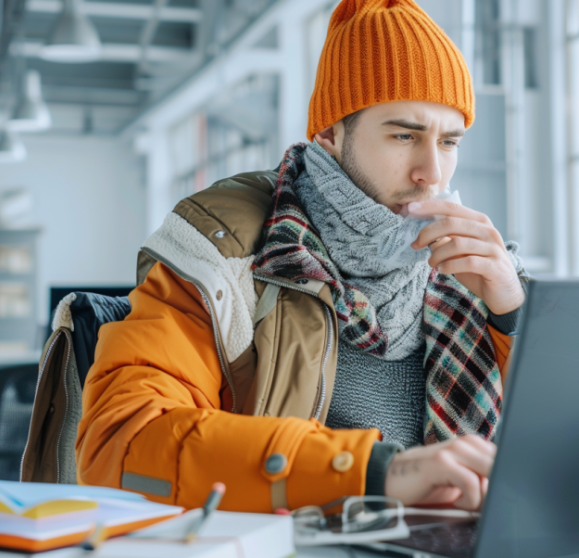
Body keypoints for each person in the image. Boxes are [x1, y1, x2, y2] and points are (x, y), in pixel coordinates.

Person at [75, 0, 529, 514]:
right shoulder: (221, 249)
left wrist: (514, 319)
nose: (433, 172)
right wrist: (373, 473)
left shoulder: (476, 269)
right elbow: (123, 440)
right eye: (404, 135)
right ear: (331, 133)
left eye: (448, 142)